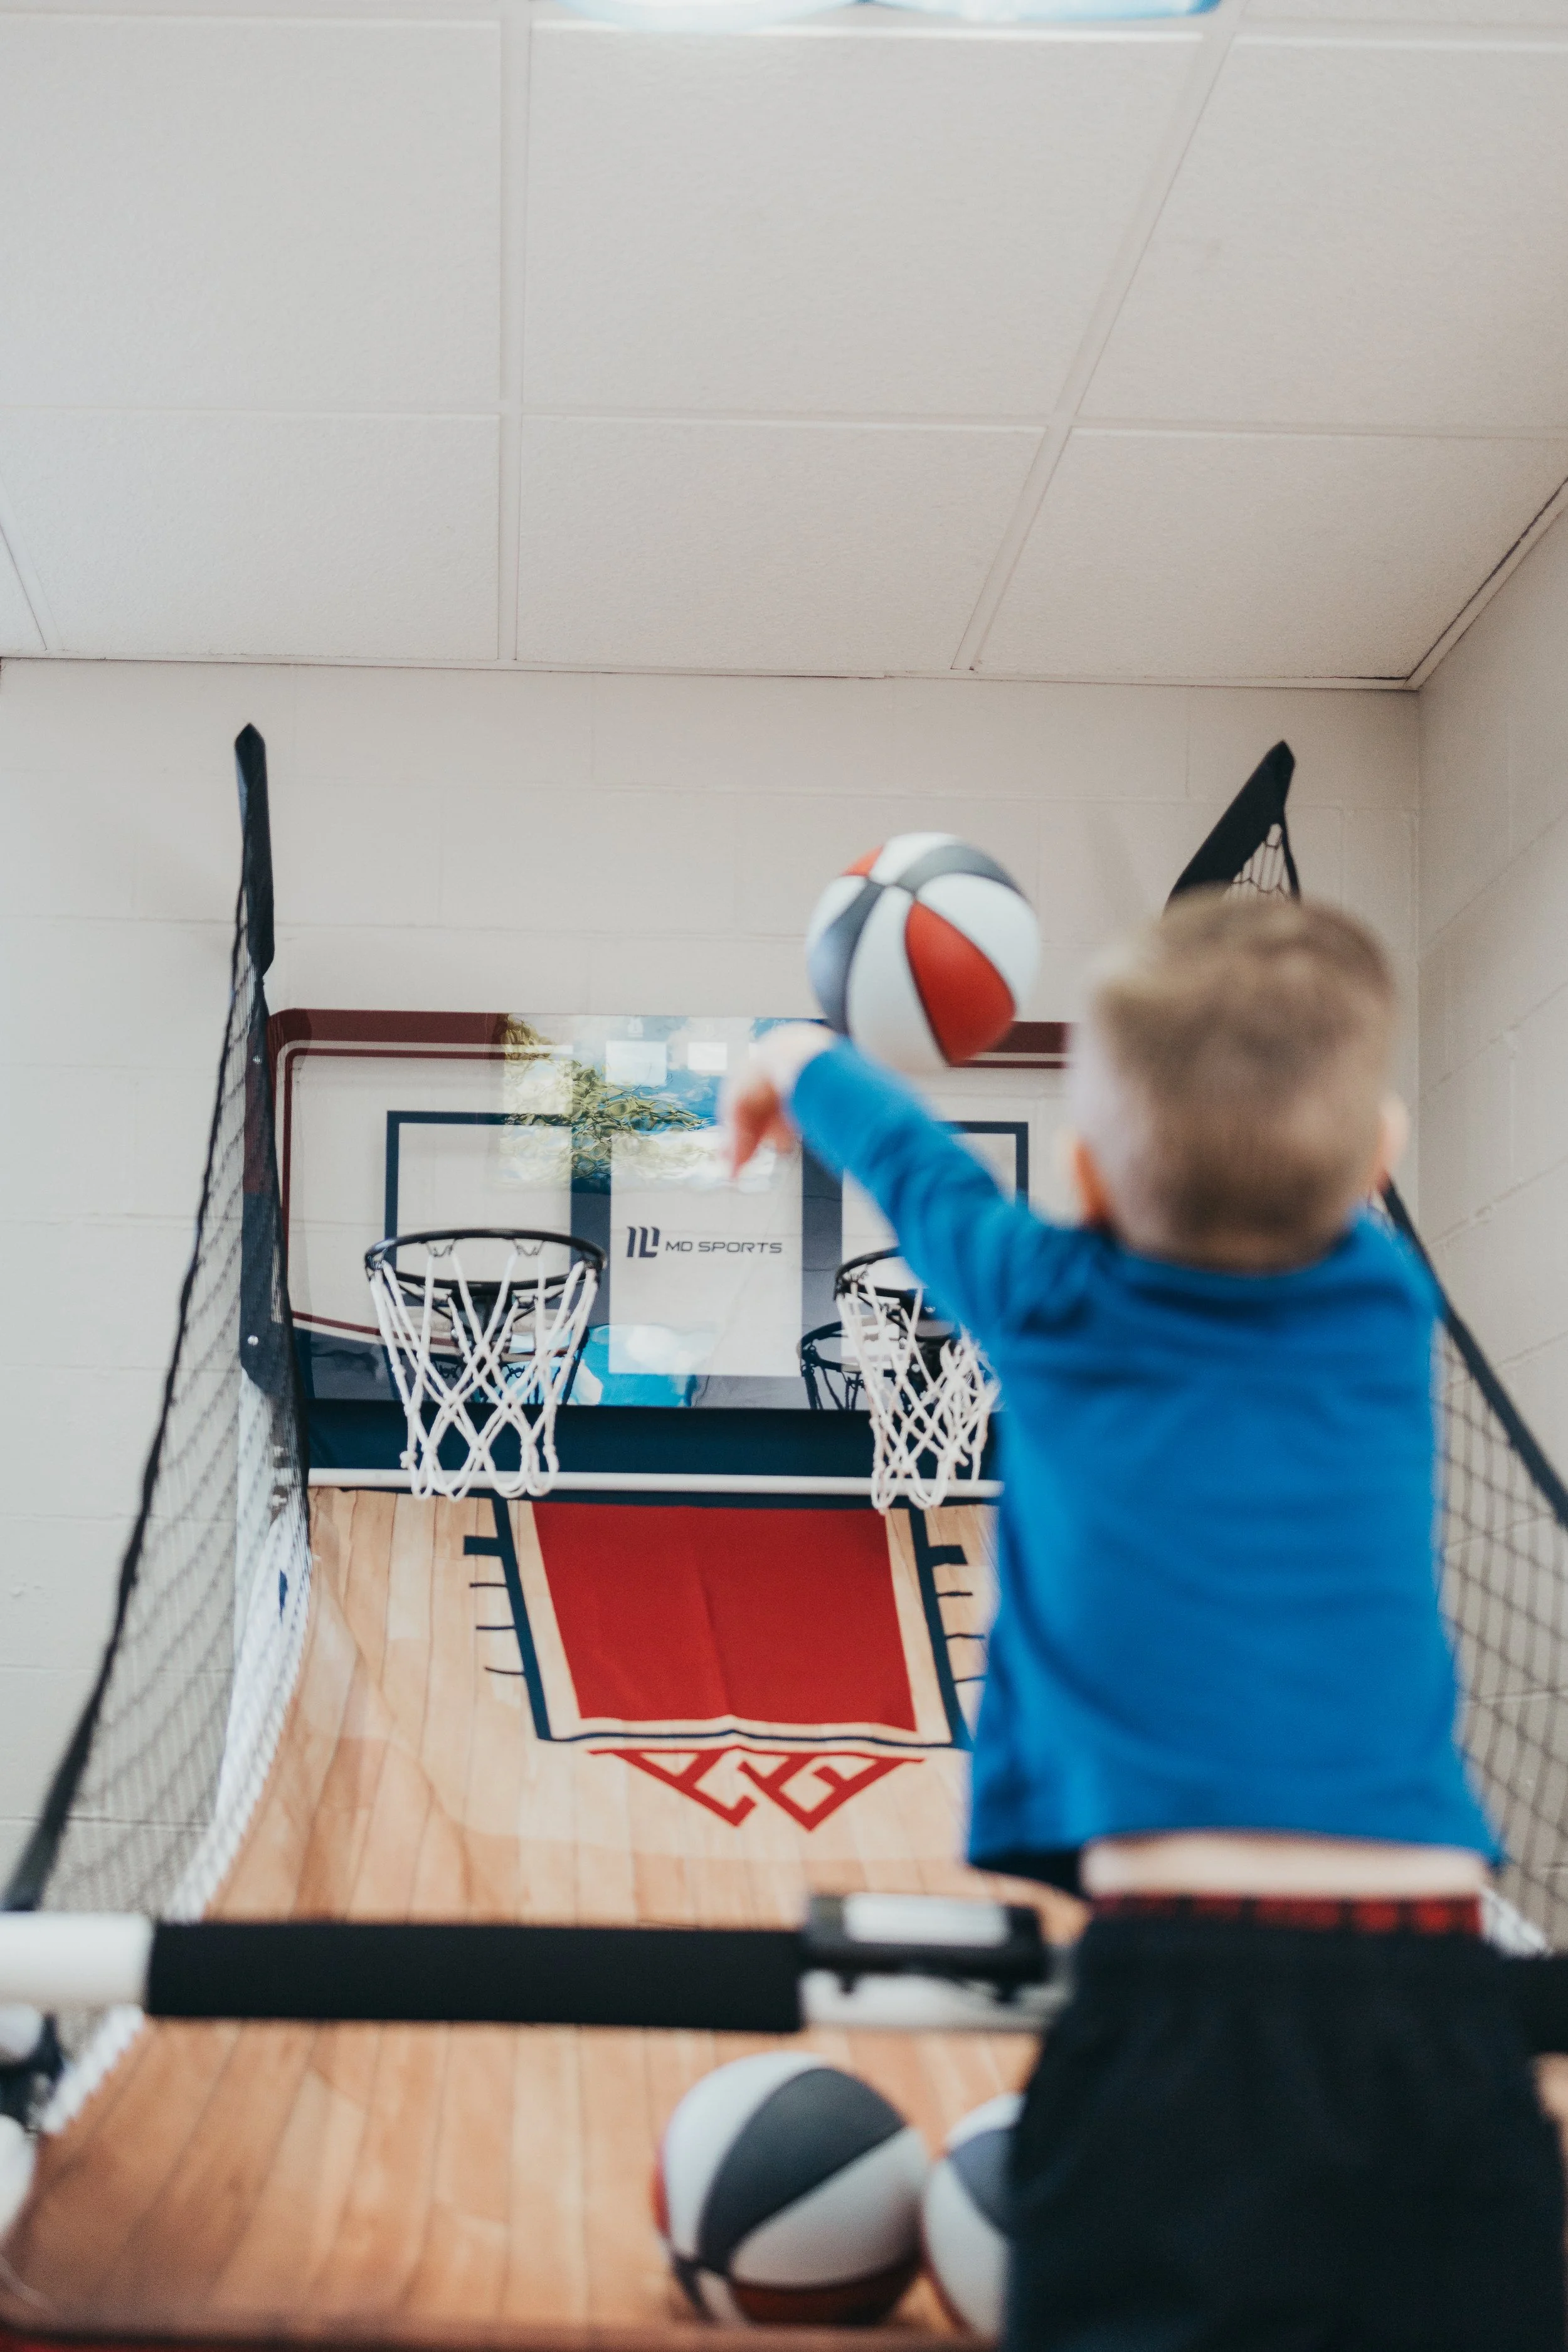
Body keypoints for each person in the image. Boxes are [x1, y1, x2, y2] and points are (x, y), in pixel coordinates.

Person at [726, 891, 1565, 2352]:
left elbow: (914, 1166)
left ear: (1085, 1182)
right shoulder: (1382, 1304)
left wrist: (792, 1054)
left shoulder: (1047, 1299)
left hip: (1177, 1990)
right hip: (1442, 2003)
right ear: (1375, 1166)